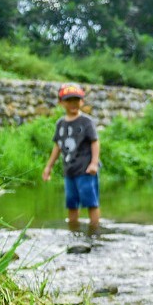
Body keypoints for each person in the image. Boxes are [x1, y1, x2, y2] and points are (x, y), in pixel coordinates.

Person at [42, 83, 101, 229]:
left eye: (76, 100)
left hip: (86, 170)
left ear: (82, 101)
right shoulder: (60, 123)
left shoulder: (86, 122)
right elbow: (58, 146)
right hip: (69, 170)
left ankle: (94, 231)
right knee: (71, 203)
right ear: (61, 102)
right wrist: (48, 167)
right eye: (69, 100)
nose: (73, 103)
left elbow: (95, 142)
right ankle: (73, 231)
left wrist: (94, 163)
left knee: (91, 202)